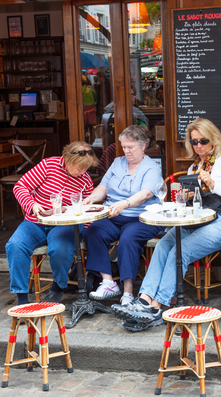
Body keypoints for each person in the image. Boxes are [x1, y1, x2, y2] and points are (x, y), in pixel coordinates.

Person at [111, 118, 221, 331]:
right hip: (197, 219)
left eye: (203, 140)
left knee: (178, 252)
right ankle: (144, 300)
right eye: (194, 142)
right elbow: (195, 202)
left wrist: (212, 183)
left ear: (213, 139)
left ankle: (157, 306)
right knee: (163, 245)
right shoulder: (195, 166)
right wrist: (186, 195)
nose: (198, 145)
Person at [5, 142, 97, 305]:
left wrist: (86, 235)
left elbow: (87, 212)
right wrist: (32, 205)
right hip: (36, 222)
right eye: (79, 168)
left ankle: (58, 287)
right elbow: (21, 186)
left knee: (59, 248)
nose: (82, 172)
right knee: (15, 245)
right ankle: (22, 298)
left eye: (86, 168)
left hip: (64, 224)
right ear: (67, 160)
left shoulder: (85, 180)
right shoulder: (48, 166)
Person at [83, 125, 162, 307]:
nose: (126, 151)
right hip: (114, 215)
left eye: (130, 147)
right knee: (94, 231)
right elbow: (102, 188)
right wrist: (89, 199)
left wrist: (124, 204)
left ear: (142, 146)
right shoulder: (117, 163)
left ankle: (127, 292)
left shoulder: (151, 167)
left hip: (141, 218)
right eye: (124, 147)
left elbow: (146, 194)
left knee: (128, 239)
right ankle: (108, 282)